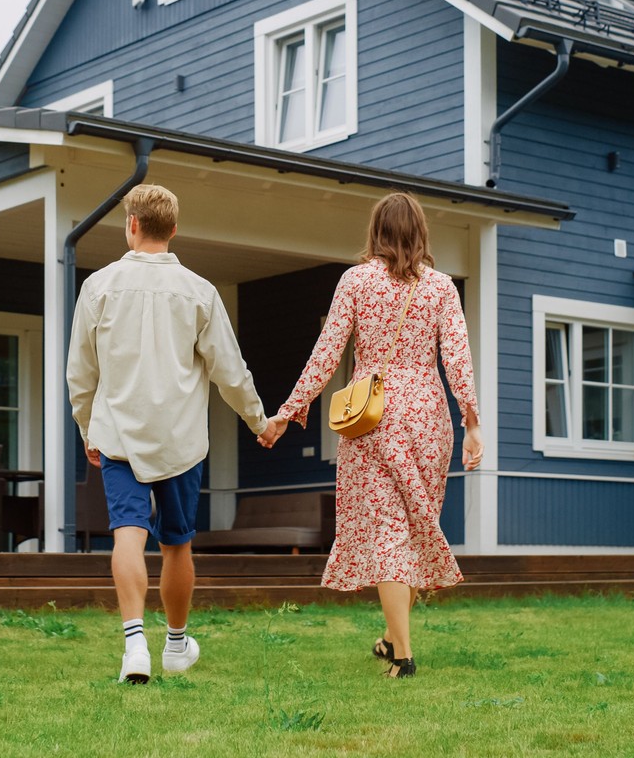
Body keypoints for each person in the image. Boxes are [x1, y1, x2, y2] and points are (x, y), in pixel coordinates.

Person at [258, 191, 482, 679]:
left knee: (388, 533)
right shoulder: (442, 288)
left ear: (376, 231)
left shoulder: (356, 281)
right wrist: (472, 422)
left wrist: (287, 412)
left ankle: (403, 657)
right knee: (415, 529)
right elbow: (458, 359)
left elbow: (326, 353)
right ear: (421, 232)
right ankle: (391, 639)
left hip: (372, 414)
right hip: (428, 414)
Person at [67, 183, 272, 683]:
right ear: (174, 229)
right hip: (181, 442)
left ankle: (134, 645)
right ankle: (176, 646)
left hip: (118, 436)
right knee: (177, 545)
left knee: (128, 536)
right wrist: (259, 422)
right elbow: (230, 371)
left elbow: (81, 372)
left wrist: (86, 426)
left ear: (132, 224)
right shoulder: (200, 292)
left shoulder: (99, 287)